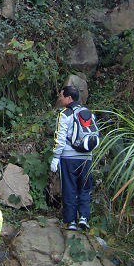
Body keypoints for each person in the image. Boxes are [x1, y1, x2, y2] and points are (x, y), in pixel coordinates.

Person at [50, 84, 92, 231]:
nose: (60, 98)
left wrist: (56, 157)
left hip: (69, 158)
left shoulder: (65, 114)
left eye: (61, 95)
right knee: (85, 188)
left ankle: (71, 221)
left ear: (69, 98)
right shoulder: (88, 113)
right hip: (87, 158)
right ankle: (84, 217)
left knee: (69, 188)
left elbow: (60, 138)